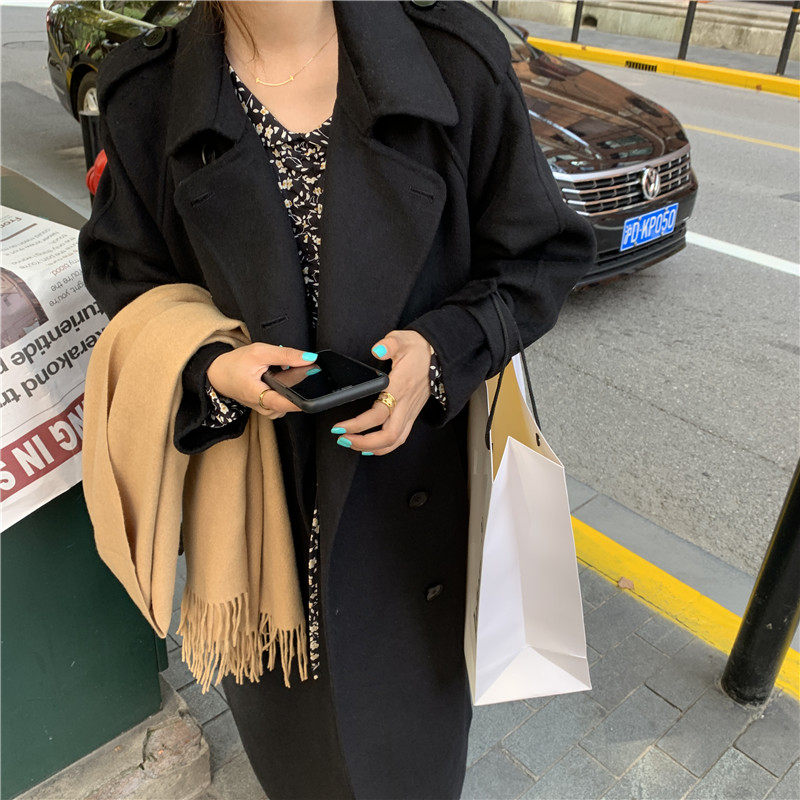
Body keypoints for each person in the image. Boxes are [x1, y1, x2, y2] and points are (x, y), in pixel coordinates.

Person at [77, 1, 597, 798]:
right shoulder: (145, 94)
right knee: (300, 767)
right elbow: (129, 282)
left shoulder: (450, 59)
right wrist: (212, 366)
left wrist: (440, 351)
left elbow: (540, 256)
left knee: (410, 770)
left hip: (418, 519)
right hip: (256, 528)